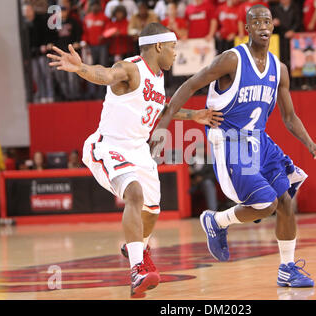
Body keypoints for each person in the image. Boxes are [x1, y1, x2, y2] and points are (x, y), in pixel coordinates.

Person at [151, 5, 316, 288]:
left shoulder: (280, 69)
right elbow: (190, 85)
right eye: (256, 21)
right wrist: (164, 124)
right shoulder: (232, 60)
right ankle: (217, 221)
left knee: (285, 201)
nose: (263, 25)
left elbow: (289, 116)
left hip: (260, 140)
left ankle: (287, 268)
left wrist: (310, 143)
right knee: (266, 203)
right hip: (231, 139)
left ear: (273, 27)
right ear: (246, 29)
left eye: (266, 21)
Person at [47, 22, 223, 297]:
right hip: (109, 146)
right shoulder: (131, 67)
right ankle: (137, 268)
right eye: (174, 47)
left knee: (151, 211)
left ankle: (137, 247)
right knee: (135, 193)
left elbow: (161, 108)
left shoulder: (158, 76)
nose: (177, 53)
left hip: (139, 150)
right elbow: (105, 74)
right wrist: (81, 68)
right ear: (159, 46)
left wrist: (194, 116)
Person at [23, 3, 57, 103]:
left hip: (42, 53)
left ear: (32, 10)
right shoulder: (24, 25)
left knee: (46, 74)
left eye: (29, 10)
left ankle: (50, 95)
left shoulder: (41, 21)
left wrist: (45, 45)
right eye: (25, 11)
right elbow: (25, 41)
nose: (27, 13)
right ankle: (41, 95)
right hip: (32, 55)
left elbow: (47, 35)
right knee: (36, 76)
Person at [54, 2, 83, 100]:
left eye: (64, 10)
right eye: (61, 11)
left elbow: (78, 33)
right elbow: (51, 38)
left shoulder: (73, 22)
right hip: (60, 53)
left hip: (71, 53)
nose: (63, 13)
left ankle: (74, 95)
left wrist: (77, 42)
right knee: (61, 76)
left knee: (72, 76)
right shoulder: (54, 23)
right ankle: (65, 95)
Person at [82, 0, 110, 99]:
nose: (94, 7)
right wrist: (84, 41)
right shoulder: (87, 18)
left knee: (102, 68)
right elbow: (84, 32)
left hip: (102, 46)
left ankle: (102, 92)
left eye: (96, 5)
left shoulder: (104, 17)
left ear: (99, 6)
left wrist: (104, 35)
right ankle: (92, 92)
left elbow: (108, 29)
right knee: (90, 68)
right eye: (92, 5)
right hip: (90, 46)